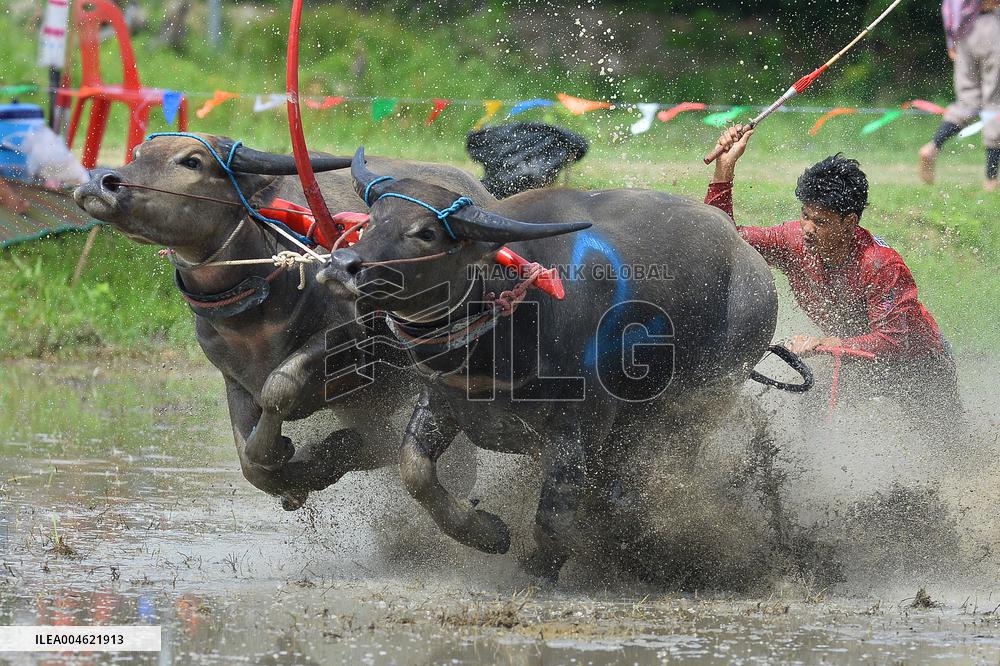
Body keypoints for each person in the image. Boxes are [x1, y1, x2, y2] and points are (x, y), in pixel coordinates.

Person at [706, 125, 964, 437]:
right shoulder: (792, 241)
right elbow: (723, 240)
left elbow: (894, 342)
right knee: (814, 404)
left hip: (919, 366)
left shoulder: (881, 264)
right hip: (852, 360)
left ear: (850, 222)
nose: (807, 228)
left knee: (946, 448)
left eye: (821, 221)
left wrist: (824, 344)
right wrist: (724, 172)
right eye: (805, 215)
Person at [918, 0, 1000, 192]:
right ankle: (991, 180)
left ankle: (932, 147)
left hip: (964, 33)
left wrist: (951, 39)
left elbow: (951, 6)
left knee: (966, 102)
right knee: (995, 104)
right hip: (989, 28)